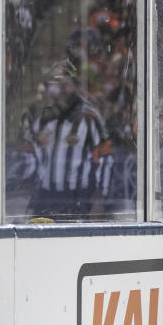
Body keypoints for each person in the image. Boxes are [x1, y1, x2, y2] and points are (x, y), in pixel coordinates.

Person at [23, 60, 114, 220]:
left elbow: (105, 158)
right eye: (55, 84)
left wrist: (100, 197)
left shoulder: (88, 117)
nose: (60, 89)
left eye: (65, 84)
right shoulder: (44, 118)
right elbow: (31, 156)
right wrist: (26, 185)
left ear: (75, 86)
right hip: (45, 199)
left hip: (76, 199)